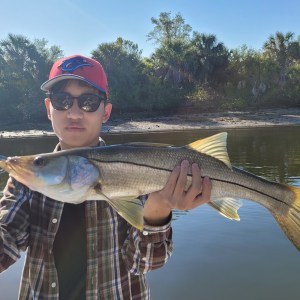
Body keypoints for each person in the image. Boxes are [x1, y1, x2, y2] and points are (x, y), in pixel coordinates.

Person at [0, 54, 212, 300]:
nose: (74, 113)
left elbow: (144, 264)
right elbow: (5, 244)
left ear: (106, 112)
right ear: (49, 109)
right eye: (62, 101)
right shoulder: (26, 180)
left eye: (88, 102)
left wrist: (157, 213)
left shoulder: (140, 173)